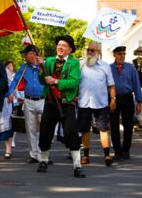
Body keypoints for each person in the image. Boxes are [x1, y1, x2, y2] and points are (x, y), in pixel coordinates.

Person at [36, 35, 85, 178]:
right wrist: (41, 69)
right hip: (51, 102)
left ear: (69, 49)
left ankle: (77, 165)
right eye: (59, 45)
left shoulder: (74, 63)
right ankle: (43, 160)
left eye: (64, 45)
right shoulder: (49, 61)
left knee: (71, 132)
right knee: (45, 131)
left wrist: (56, 81)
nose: (60, 47)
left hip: (66, 103)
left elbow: (74, 82)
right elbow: (42, 81)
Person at [78, 42, 116, 167]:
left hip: (101, 103)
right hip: (84, 102)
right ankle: (85, 155)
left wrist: (113, 99)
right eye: (88, 50)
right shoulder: (80, 64)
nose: (89, 52)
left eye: (92, 50)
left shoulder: (105, 66)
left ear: (98, 52)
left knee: (103, 129)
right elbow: (74, 82)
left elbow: (111, 85)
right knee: (84, 130)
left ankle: (106, 155)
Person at [7, 45, 44, 163]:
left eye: (25, 54)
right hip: (28, 101)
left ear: (32, 54)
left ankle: (43, 154)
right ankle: (33, 154)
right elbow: (15, 81)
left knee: (43, 128)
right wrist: (11, 93)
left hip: (43, 100)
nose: (23, 56)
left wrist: (42, 65)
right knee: (30, 128)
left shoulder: (43, 65)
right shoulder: (23, 67)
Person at [109, 46, 142, 161]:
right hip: (113, 99)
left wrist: (139, 101)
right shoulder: (109, 68)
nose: (122, 56)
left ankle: (126, 149)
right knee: (114, 125)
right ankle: (117, 151)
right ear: (114, 55)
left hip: (127, 98)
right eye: (119, 54)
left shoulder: (131, 68)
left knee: (128, 125)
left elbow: (136, 84)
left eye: (124, 53)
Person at [0, 60, 15, 159]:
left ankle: (8, 150)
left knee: (6, 124)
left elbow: (12, 85)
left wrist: (10, 94)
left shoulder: (5, 72)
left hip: (5, 101)